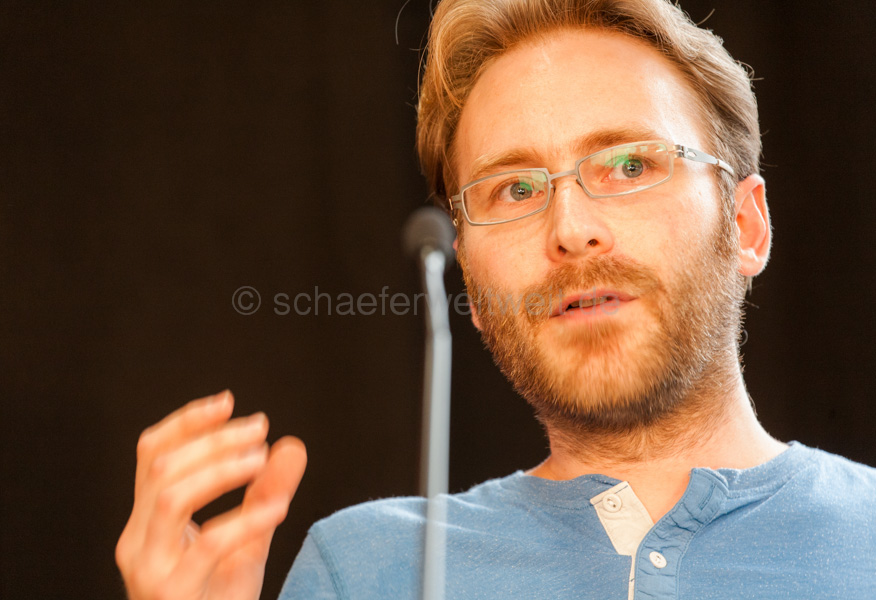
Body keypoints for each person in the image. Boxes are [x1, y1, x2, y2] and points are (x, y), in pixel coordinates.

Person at [116, 0, 876, 598]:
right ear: (471, 283)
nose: (570, 230)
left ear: (746, 226)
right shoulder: (367, 570)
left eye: (628, 165)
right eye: (514, 189)